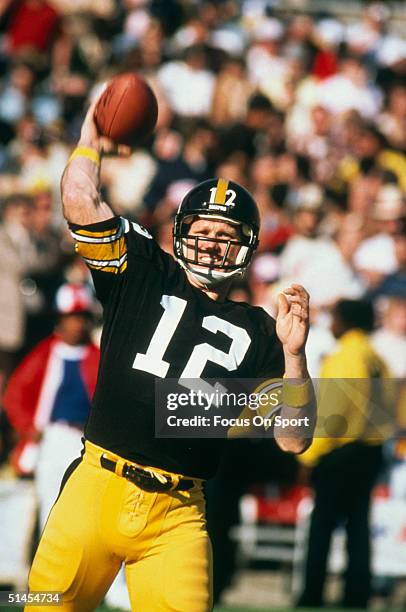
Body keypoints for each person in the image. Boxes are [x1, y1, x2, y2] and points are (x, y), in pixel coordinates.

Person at [26, 102, 316, 612]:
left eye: (225, 237)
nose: (210, 244)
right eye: (203, 231)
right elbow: (77, 198)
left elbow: (294, 439)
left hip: (179, 514)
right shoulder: (141, 267)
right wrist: (91, 139)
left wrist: (295, 357)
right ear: (180, 231)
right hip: (96, 486)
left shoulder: (262, 330)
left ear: (245, 248)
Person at [297, 299, 390, 609]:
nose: (331, 324)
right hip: (371, 450)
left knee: (321, 527)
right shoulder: (377, 359)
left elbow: (333, 414)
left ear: (347, 321)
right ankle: (356, 595)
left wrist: (309, 457)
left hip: (339, 452)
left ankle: (312, 595)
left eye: (334, 318)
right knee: (358, 527)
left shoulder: (343, 357)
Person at [3, 282, 99, 529]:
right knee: (48, 506)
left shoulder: (95, 355)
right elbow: (14, 394)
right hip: (50, 438)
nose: (76, 324)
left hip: (83, 441)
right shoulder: (45, 353)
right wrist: (26, 427)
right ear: (60, 320)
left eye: (81, 317)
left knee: (82, 508)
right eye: (71, 318)